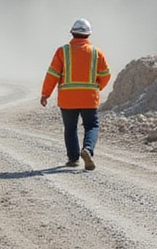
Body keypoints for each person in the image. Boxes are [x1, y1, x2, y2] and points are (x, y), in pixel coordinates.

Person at [40, 18, 110, 170]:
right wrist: (97, 87)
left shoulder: (63, 51)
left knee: (70, 128)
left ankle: (73, 159)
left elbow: (52, 74)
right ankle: (88, 150)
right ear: (88, 35)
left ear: (72, 33)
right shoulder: (96, 52)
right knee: (91, 125)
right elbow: (106, 74)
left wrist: (45, 94)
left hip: (68, 99)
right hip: (89, 99)